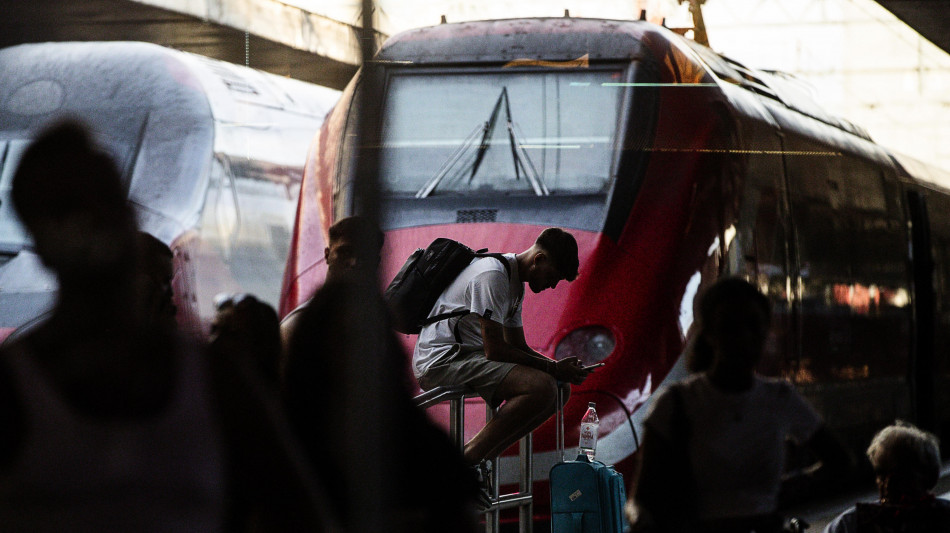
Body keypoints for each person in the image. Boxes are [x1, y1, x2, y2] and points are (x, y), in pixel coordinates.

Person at [0, 120, 227, 531]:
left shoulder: (216, 379)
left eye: (106, 199)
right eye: (68, 210)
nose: (95, 221)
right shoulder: (212, 380)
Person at [282, 216, 479, 532]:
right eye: (346, 252)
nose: (356, 263)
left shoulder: (422, 450)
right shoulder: (291, 450)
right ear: (326, 254)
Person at [627, 277, 852, 533]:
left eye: (753, 326)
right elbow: (641, 500)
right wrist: (780, 494)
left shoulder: (779, 398)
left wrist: (778, 494)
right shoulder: (675, 404)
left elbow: (840, 460)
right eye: (730, 327)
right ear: (710, 334)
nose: (744, 337)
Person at [411, 227, 592, 505]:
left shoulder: (513, 282)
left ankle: (480, 460)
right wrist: (553, 370)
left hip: (469, 356)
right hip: (441, 358)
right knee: (542, 387)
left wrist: (558, 369)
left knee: (560, 389)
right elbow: (495, 349)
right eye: (552, 277)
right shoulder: (492, 276)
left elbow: (518, 347)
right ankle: (468, 461)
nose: (552, 285)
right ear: (539, 259)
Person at [824, 422, 950, 533]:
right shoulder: (847, 524)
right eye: (881, 474)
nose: (888, 485)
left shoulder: (850, 524)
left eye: (900, 475)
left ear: (929, 478)